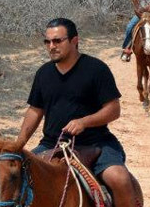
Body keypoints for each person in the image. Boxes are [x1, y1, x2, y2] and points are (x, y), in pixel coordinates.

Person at [17, 18, 142, 206]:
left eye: (57, 41)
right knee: (15, 175)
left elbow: (113, 109)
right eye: (48, 41)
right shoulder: (44, 73)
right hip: (52, 143)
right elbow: (35, 110)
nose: (51, 46)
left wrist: (84, 122)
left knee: (119, 178)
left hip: (97, 143)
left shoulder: (96, 69)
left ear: (75, 41)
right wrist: (19, 144)